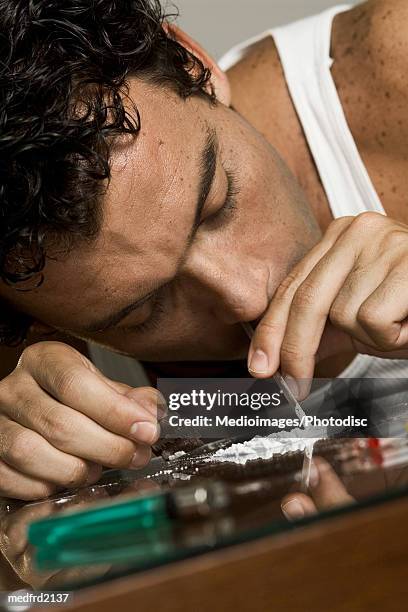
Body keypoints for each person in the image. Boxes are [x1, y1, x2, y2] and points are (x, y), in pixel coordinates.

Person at [1, 0, 408, 502]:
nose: (245, 297)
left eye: (218, 201)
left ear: (193, 64)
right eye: (145, 311)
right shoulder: (43, 347)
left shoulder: (395, 66)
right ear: (48, 323)